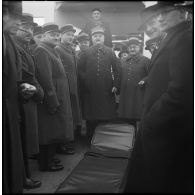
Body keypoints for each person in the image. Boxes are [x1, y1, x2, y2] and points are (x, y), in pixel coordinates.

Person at [124, 2, 193, 193]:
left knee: (163, 181)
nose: (160, 18)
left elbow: (182, 90)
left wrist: (153, 119)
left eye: (166, 12)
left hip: (167, 129)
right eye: (158, 13)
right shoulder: (173, 36)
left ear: (183, 13)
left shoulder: (185, 39)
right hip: (162, 126)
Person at [34, 23, 74, 172]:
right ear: (44, 36)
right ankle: (45, 164)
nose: (56, 37)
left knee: (54, 130)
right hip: (51, 98)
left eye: (58, 34)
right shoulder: (41, 50)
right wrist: (52, 100)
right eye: (53, 34)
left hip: (59, 96)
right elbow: (46, 79)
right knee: (48, 131)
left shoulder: (51, 50)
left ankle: (49, 158)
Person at [14, 13, 44, 189]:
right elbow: (26, 76)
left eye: (31, 28)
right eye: (24, 27)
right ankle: (24, 177)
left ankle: (25, 175)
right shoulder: (16, 48)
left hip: (28, 99)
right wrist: (40, 93)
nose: (29, 31)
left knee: (25, 139)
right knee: (22, 140)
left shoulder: (25, 47)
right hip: (23, 100)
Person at [77, 26, 120, 144]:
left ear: (104, 38)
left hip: (106, 88)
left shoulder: (110, 52)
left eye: (100, 36)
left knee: (105, 115)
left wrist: (116, 84)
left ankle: (103, 140)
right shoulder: (86, 52)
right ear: (92, 38)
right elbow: (79, 69)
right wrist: (86, 79)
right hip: (90, 89)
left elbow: (117, 70)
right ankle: (89, 139)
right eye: (95, 36)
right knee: (91, 115)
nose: (97, 38)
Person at [3, 1, 24, 193]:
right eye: (15, 17)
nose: (19, 22)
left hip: (10, 109)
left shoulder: (8, 39)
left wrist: (21, 86)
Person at [55, 24, 82, 154]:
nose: (71, 37)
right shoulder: (58, 49)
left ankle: (69, 139)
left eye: (72, 35)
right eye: (68, 34)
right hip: (65, 88)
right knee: (64, 116)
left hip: (73, 88)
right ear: (61, 35)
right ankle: (62, 144)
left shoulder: (70, 49)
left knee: (72, 115)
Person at [118, 38, 150, 128]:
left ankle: (139, 137)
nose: (132, 49)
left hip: (139, 92)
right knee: (127, 116)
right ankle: (130, 136)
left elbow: (152, 74)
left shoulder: (145, 60)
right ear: (128, 48)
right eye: (130, 47)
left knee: (139, 115)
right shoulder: (123, 61)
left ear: (139, 47)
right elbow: (119, 75)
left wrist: (145, 80)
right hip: (126, 93)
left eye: (134, 47)